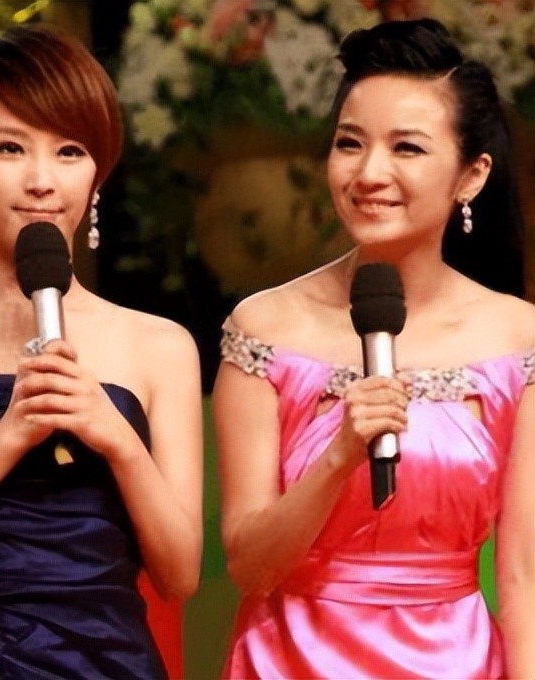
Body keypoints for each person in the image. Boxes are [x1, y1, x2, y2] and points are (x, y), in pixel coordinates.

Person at [214, 18, 533, 679]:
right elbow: (249, 568)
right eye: (350, 143)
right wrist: (338, 456)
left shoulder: (518, 338)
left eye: (406, 148)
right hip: (290, 660)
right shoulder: (263, 328)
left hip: (458, 663)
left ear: (471, 175)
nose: (369, 173)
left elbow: (524, 573)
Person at [0, 24, 203, 679]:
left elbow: (180, 574)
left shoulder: (159, 345)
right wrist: (8, 436)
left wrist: (117, 438)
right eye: (9, 148)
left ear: (97, 173)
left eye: (69, 151)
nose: (41, 181)